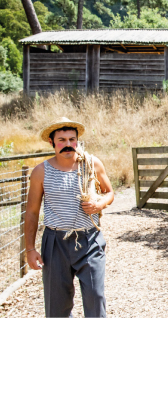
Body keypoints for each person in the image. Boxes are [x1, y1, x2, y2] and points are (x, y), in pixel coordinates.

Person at [25, 117, 114, 318]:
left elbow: (110, 193)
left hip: (89, 240)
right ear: (52, 142)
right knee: (57, 308)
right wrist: (30, 249)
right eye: (62, 140)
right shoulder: (41, 171)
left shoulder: (91, 164)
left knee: (95, 299)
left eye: (71, 139)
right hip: (54, 243)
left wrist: (99, 204)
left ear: (77, 141)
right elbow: (31, 212)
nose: (67, 145)